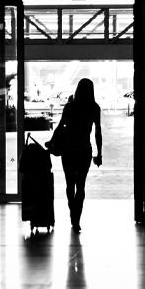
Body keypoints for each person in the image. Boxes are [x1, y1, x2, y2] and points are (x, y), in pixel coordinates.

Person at [57, 78, 102, 233]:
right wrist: (99, 153)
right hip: (84, 149)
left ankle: (72, 213)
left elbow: (60, 126)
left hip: (68, 149)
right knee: (81, 185)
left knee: (69, 183)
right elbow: (98, 133)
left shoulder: (69, 107)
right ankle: (77, 219)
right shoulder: (94, 108)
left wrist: (53, 142)